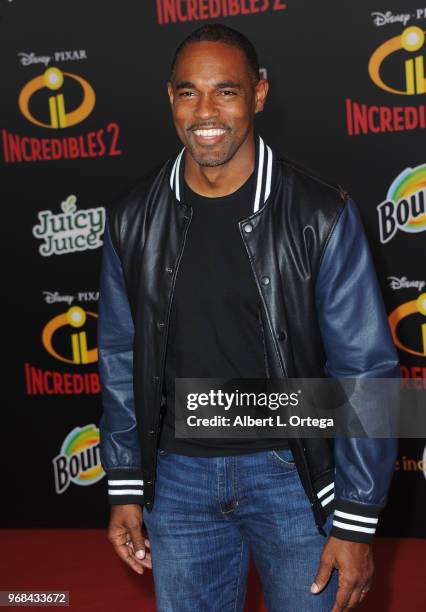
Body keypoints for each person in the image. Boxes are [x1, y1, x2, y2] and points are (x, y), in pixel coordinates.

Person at [98, 24, 400, 612]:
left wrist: (358, 518)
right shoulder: (132, 218)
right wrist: (126, 482)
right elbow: (119, 356)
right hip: (177, 484)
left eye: (226, 91)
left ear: (259, 94)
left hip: (295, 478)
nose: (205, 111)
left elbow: (366, 369)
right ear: (170, 98)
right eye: (188, 93)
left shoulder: (320, 213)